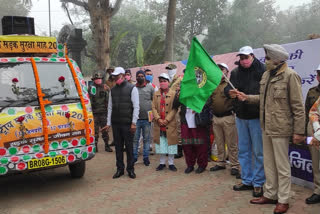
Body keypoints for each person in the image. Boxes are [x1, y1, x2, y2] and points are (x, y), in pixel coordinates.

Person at [238, 44, 305, 214]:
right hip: (266, 126)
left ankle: (283, 199)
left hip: (281, 128)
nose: (265, 61)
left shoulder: (290, 76)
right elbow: (264, 98)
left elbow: (298, 106)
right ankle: (270, 194)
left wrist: (299, 131)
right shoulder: (267, 75)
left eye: (268, 58)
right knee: (269, 163)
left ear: (277, 60)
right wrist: (247, 97)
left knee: (282, 166)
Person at [224, 46, 265, 197]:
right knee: (244, 151)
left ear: (253, 56)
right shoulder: (235, 72)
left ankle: (259, 182)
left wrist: (248, 97)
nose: (244, 60)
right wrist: (229, 92)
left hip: (256, 117)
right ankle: (247, 180)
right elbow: (227, 89)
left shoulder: (263, 70)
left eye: (246, 57)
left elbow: (265, 94)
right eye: (241, 58)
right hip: (240, 116)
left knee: (258, 152)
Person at [104, 67, 140, 179]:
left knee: (129, 147)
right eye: (114, 77)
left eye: (117, 76)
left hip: (128, 123)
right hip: (116, 124)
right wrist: (108, 123)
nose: (115, 78)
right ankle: (120, 169)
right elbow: (110, 108)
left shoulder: (132, 88)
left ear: (123, 76)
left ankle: (130, 169)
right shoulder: (113, 90)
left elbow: (136, 107)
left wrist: (134, 122)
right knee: (118, 148)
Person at [210, 63, 240, 177]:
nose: (220, 71)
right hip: (216, 117)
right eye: (218, 69)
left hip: (228, 117)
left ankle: (234, 165)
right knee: (219, 142)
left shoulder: (230, 84)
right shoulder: (213, 84)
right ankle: (221, 162)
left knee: (231, 143)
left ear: (227, 71)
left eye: (222, 69)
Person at [152, 73, 179, 171]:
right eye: (161, 81)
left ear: (168, 82)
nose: (163, 83)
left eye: (164, 81)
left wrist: (167, 119)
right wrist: (158, 119)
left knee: (171, 143)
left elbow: (175, 108)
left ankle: (171, 163)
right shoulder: (156, 94)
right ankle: (162, 163)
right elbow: (153, 107)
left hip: (170, 123)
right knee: (161, 143)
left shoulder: (173, 93)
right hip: (159, 123)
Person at [179, 100, 211, 174]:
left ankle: (202, 165)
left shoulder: (201, 89)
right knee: (187, 144)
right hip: (185, 121)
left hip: (198, 120)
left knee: (200, 144)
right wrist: (178, 96)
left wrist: (198, 106)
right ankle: (190, 165)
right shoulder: (184, 91)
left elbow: (208, 101)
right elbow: (175, 104)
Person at [305, 64, 320, 205]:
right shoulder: (311, 92)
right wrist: (305, 134)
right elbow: (306, 113)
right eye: (319, 73)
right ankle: (317, 191)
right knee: (315, 162)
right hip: (312, 129)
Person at [133, 70, 154, 166]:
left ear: (144, 77)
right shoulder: (133, 88)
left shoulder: (150, 88)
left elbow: (154, 101)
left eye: (142, 76)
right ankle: (134, 157)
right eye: (138, 76)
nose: (140, 77)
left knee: (146, 139)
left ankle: (146, 158)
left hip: (147, 119)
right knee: (135, 139)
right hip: (136, 119)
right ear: (136, 77)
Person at [88, 71, 113, 153]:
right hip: (94, 113)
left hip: (103, 112)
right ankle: (95, 146)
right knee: (95, 131)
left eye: (99, 78)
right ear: (94, 80)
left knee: (105, 130)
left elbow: (109, 100)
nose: (98, 80)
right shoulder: (91, 88)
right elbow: (89, 101)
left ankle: (107, 145)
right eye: (96, 79)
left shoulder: (106, 87)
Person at [165, 63, 183, 159]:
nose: (169, 70)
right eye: (168, 69)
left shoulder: (180, 79)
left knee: (178, 127)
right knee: (170, 127)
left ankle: (179, 149)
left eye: (171, 69)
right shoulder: (166, 79)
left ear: (175, 69)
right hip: (168, 107)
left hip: (177, 106)